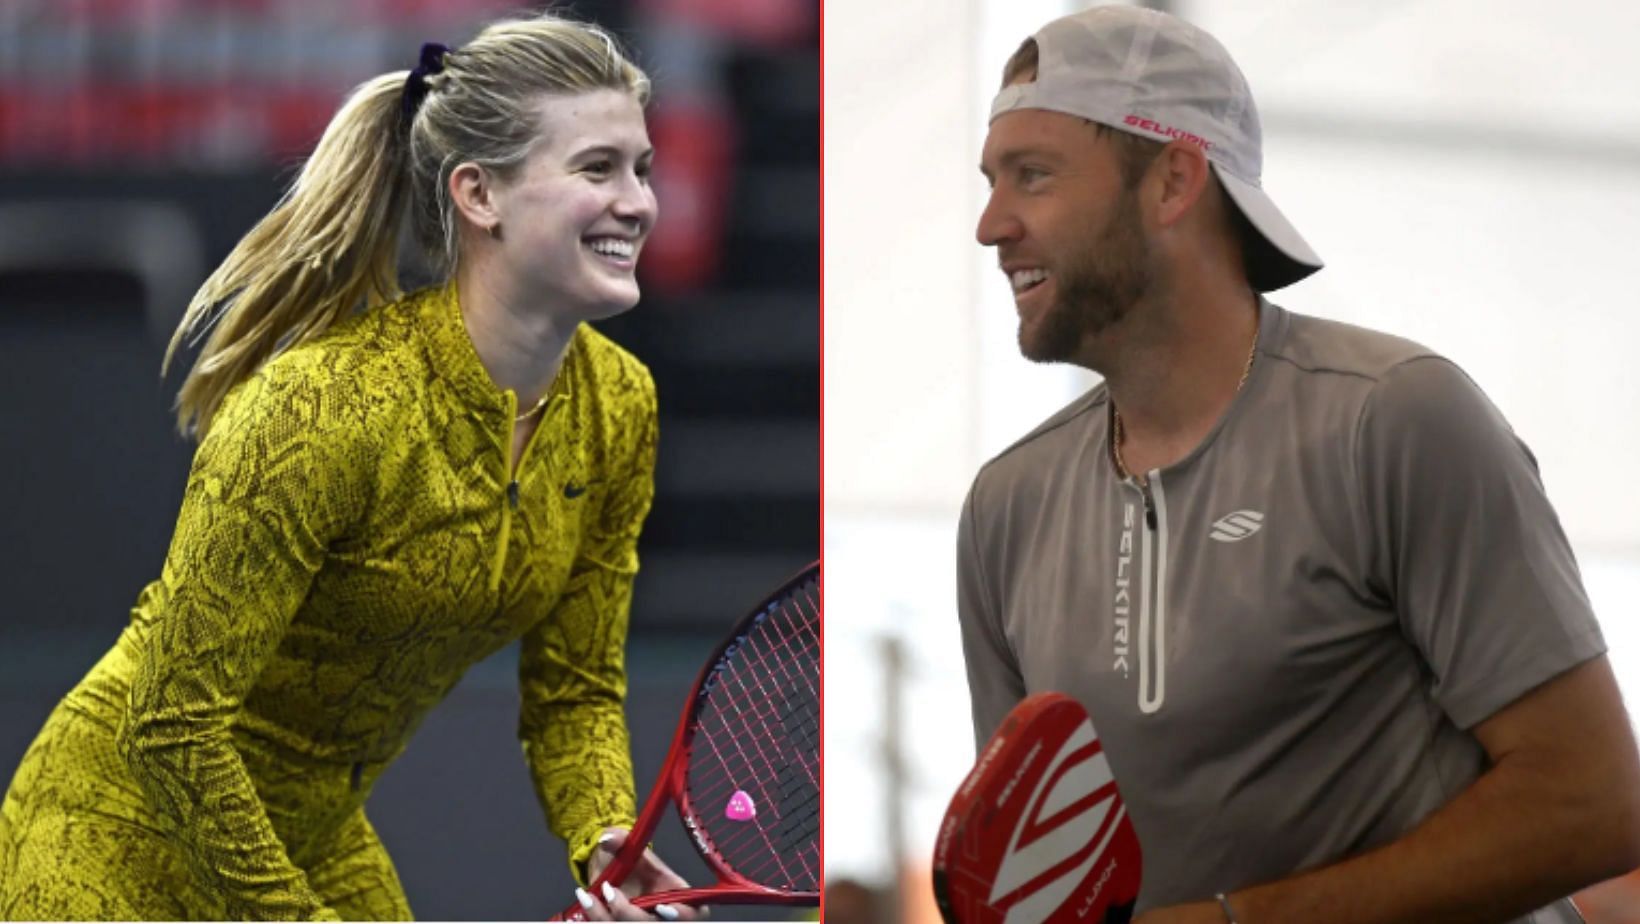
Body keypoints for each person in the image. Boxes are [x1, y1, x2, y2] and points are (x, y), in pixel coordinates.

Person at [0, 13, 699, 922]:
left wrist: (604, 836)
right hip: (109, 831)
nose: (639, 202)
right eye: (597, 169)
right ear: (479, 194)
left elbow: (574, 687)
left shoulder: (621, 407)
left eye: (642, 168)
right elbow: (172, 723)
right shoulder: (321, 408)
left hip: (312, 837)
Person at [957, 6, 1640, 923]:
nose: (991, 224)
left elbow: (1595, 806)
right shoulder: (1007, 507)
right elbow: (1030, 878)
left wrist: (1241, 920)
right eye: (995, 181)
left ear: (1172, 181)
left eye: (1033, 177)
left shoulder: (1394, 418)